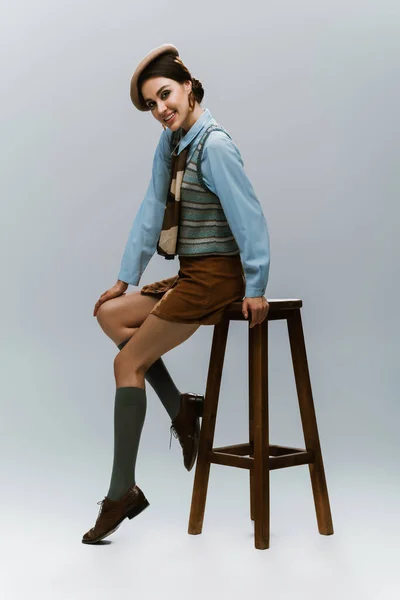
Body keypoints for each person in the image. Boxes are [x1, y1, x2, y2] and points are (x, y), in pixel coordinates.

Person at [82, 43, 270, 544]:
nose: (160, 108)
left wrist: (256, 286)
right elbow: (150, 207)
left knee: (127, 365)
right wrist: (125, 277)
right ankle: (182, 410)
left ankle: (121, 492)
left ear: (188, 85)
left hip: (217, 278)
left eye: (165, 94)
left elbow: (249, 218)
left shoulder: (215, 146)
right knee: (110, 315)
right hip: (192, 271)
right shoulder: (173, 144)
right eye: (151, 104)